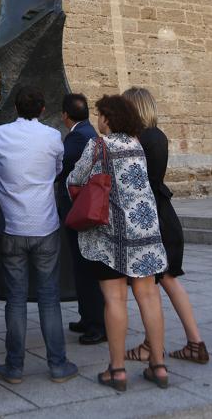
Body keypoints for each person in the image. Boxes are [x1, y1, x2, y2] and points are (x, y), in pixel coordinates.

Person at [67, 94, 169, 392]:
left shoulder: (98, 145)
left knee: (114, 299)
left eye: (100, 115)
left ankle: (118, 370)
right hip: (145, 231)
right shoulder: (138, 145)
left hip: (112, 237)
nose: (98, 120)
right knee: (148, 295)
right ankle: (159, 366)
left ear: (108, 119)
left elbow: (75, 180)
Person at [0, 86, 78, 385]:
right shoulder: (53, 137)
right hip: (45, 225)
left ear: (15, 108)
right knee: (49, 299)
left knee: (16, 299)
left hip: (11, 226)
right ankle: (58, 364)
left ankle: (14, 366)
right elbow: (58, 170)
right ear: (42, 109)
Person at [123, 87, 209, 365]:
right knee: (169, 280)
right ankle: (195, 343)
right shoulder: (157, 136)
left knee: (148, 286)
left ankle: (152, 346)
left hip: (152, 219)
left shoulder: (139, 141)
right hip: (165, 215)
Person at [58, 93, 106, 344]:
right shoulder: (88, 132)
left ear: (65, 115)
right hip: (87, 210)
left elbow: (61, 167)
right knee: (83, 266)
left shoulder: (78, 137)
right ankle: (87, 317)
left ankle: (97, 323)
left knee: (85, 267)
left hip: (80, 212)